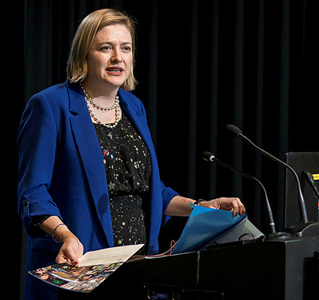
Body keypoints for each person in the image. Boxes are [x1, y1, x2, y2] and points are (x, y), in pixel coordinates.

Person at [18, 8, 245, 300]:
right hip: (80, 272)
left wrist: (203, 207)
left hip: (138, 273)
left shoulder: (133, 107)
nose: (117, 57)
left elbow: (149, 191)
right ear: (83, 54)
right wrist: (65, 235)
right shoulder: (51, 106)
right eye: (105, 48)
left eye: (125, 48)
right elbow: (33, 193)